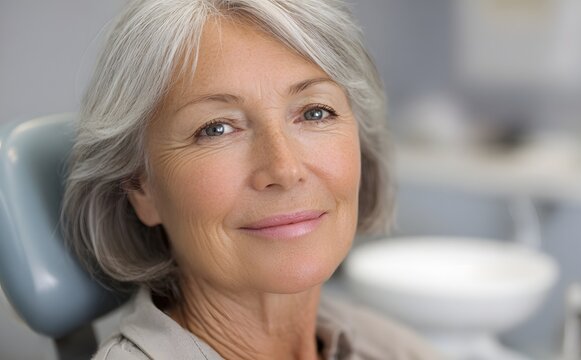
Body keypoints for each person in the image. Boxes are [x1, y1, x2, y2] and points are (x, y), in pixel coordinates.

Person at [62, 0, 441, 358]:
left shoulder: (398, 350)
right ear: (140, 187)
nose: (285, 169)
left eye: (314, 113)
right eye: (217, 129)